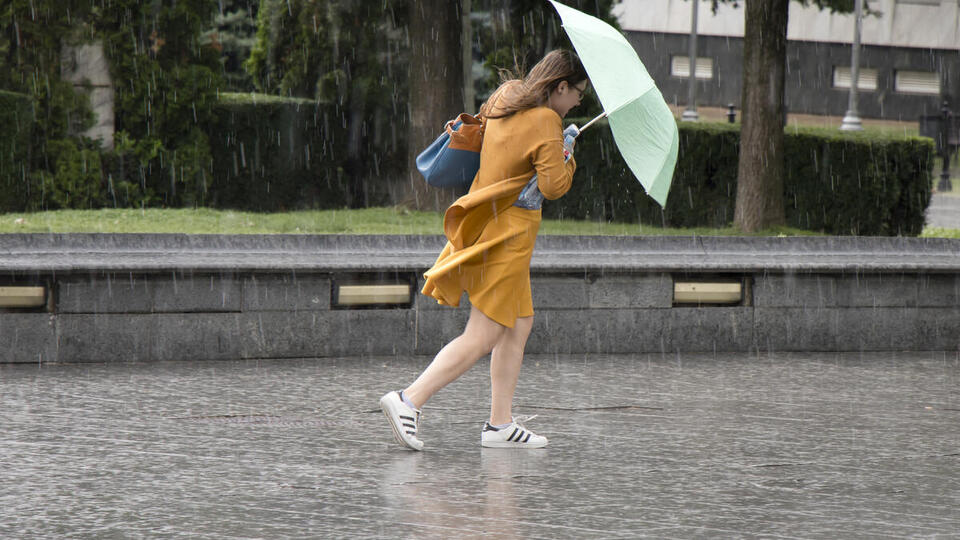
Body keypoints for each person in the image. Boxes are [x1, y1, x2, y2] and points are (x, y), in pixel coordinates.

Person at [381, 50, 589, 451]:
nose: (578, 101)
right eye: (577, 92)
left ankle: (500, 425)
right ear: (560, 86)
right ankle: (409, 400)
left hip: (488, 221)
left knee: (518, 324)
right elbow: (553, 187)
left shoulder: (506, 96)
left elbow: (509, 160)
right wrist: (567, 153)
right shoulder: (547, 120)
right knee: (483, 334)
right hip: (509, 237)